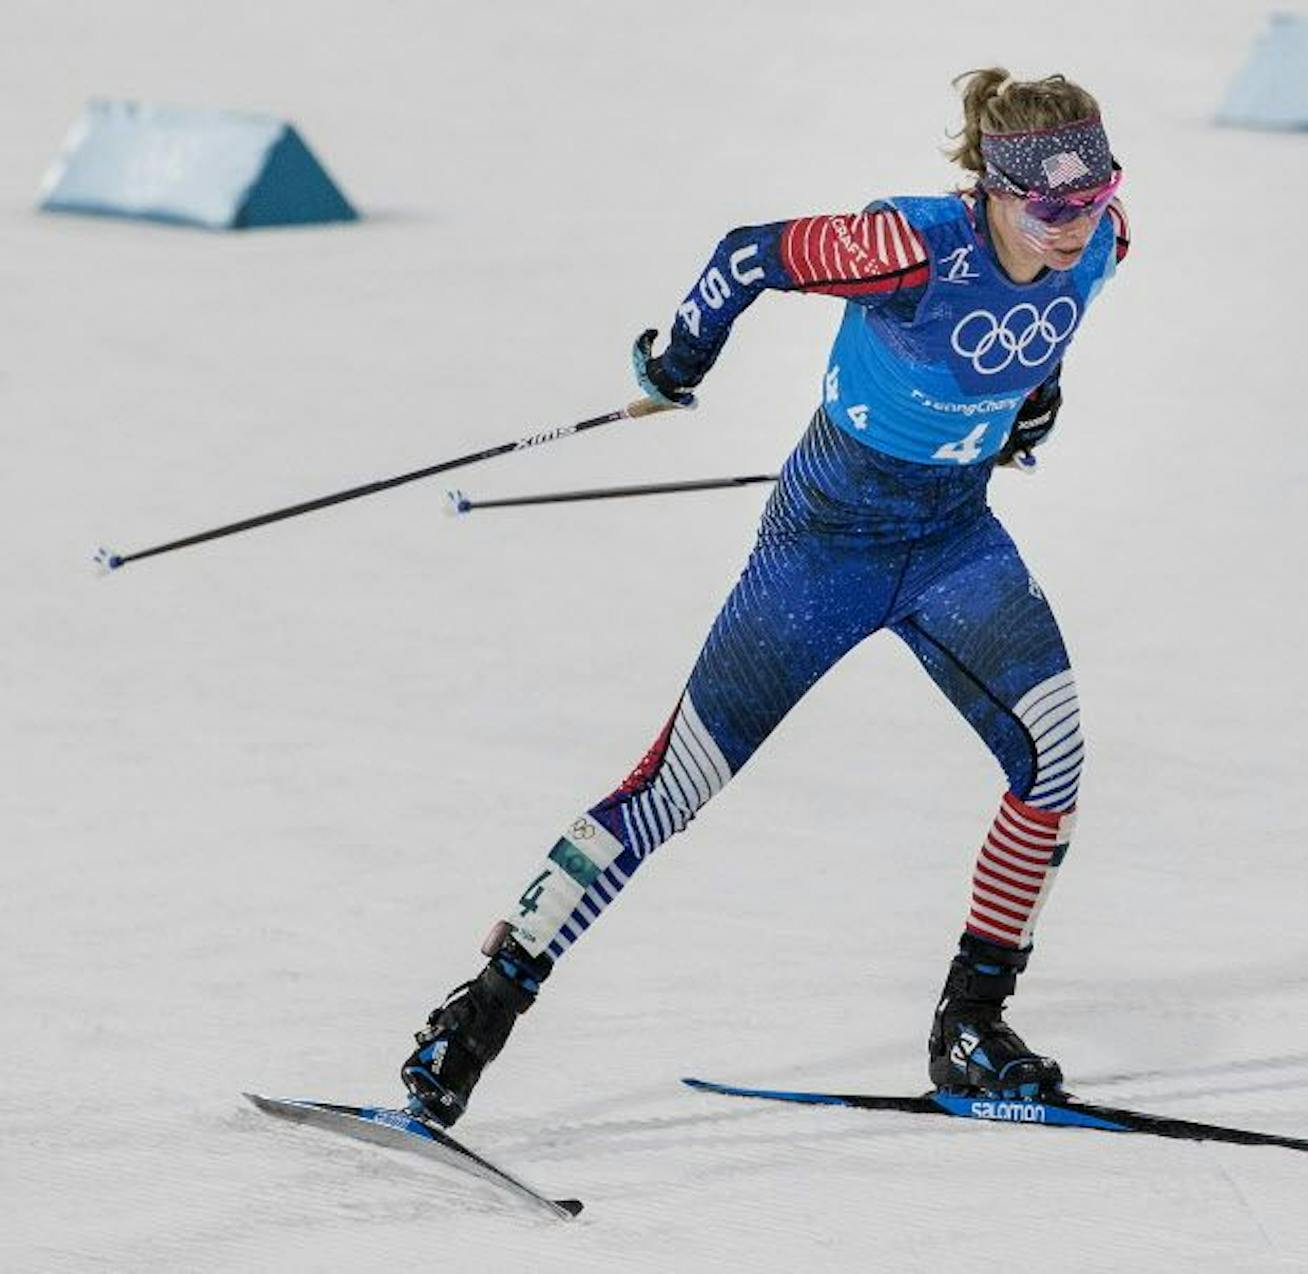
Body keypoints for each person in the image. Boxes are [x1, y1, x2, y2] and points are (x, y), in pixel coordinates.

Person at [399, 68, 1131, 1127]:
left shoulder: (1107, 242)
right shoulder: (909, 246)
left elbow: (1046, 335)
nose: (1074, 227)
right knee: (672, 785)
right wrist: (674, 365)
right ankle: (476, 1015)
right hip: (820, 551)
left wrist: (1029, 411)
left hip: (952, 543)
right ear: (993, 185)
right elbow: (748, 254)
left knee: (1052, 761)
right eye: (1052, 206)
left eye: (1093, 199)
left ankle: (971, 1025)